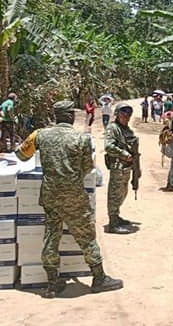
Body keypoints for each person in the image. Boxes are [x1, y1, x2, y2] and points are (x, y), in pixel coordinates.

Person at [15, 101, 122, 297]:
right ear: (72, 116)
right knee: (86, 236)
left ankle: (52, 283)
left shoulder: (40, 135)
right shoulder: (81, 139)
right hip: (74, 195)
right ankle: (99, 278)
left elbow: (21, 155)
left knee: (51, 236)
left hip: (50, 195)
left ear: (56, 116)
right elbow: (87, 168)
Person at [104, 102, 139, 234]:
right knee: (114, 194)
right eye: (123, 113)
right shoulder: (113, 128)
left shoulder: (127, 130)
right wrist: (124, 154)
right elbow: (108, 147)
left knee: (122, 193)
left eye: (128, 114)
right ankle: (113, 223)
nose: (126, 116)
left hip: (127, 167)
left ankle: (116, 216)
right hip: (118, 166)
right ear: (117, 114)